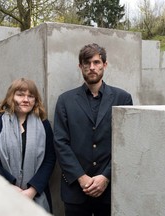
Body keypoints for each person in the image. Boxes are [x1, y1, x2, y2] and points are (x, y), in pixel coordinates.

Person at [53, 43, 133, 216]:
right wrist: (81, 178)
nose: (92, 67)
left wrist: (106, 176)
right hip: (75, 190)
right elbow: (60, 143)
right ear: (80, 66)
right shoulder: (65, 100)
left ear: (105, 64)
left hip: (110, 190)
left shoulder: (123, 98)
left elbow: (127, 145)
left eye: (96, 62)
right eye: (86, 63)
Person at [0, 78, 56, 213]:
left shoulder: (44, 125)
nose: (26, 99)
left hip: (35, 196)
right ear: (11, 97)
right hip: (1, 193)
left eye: (31, 96)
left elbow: (50, 158)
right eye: (20, 94)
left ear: (35, 100)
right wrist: (8, 185)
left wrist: (32, 190)